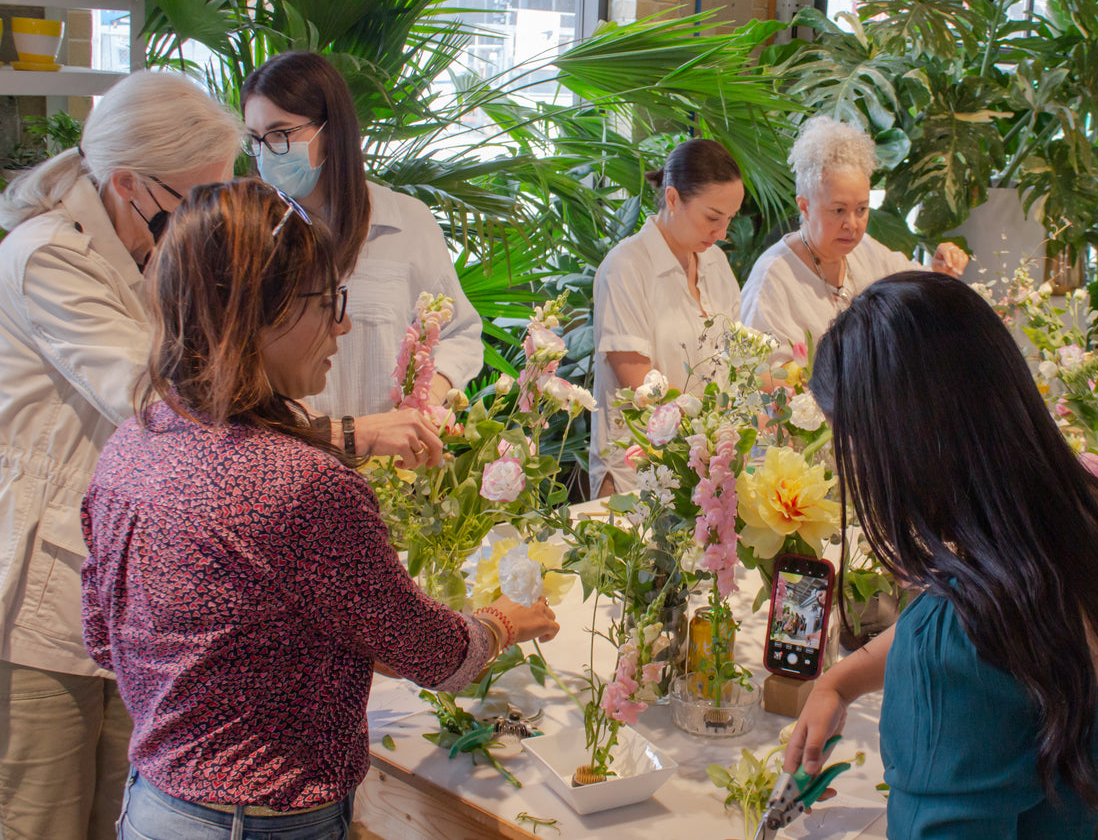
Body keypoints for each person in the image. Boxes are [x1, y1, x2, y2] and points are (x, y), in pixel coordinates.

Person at [81, 179, 559, 839]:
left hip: (155, 803)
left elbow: (104, 637)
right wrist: (502, 621)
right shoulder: (303, 485)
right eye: (329, 302)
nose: (343, 324)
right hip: (260, 821)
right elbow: (432, 653)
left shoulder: (132, 445)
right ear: (261, 312)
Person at [789, 272, 1098, 838]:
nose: (846, 470)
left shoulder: (958, 633)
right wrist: (842, 679)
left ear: (896, 448)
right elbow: (1019, 630)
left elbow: (975, 637)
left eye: (848, 445)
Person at [0, 71, 240, 840]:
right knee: (41, 816)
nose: (204, 223)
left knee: (122, 811)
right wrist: (335, 440)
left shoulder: (145, 247)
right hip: (45, 589)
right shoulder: (46, 255)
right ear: (130, 183)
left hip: (128, 587)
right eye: (195, 202)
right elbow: (152, 396)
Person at [241, 50, 485, 458]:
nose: (268, 152)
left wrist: (426, 396)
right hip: (290, 464)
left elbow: (459, 331)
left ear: (330, 131)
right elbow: (240, 367)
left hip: (399, 468)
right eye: (256, 139)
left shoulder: (405, 222)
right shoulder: (249, 233)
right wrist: (340, 432)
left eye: (281, 134)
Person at [741, 116, 968, 368]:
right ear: (805, 207)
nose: (852, 224)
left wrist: (940, 270)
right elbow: (760, 377)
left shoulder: (866, 250)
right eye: (838, 210)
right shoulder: (773, 277)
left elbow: (914, 290)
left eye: (861, 209)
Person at [591, 138, 745, 495]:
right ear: (673, 199)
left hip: (708, 470)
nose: (721, 234)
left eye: (729, 220)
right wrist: (707, 431)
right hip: (640, 472)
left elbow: (736, 360)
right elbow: (638, 382)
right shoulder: (627, 266)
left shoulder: (716, 264)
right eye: (711, 218)